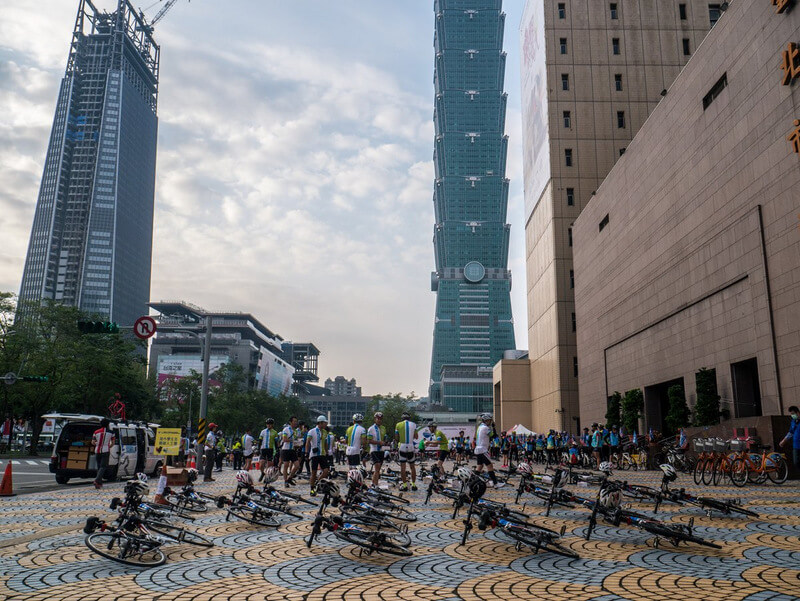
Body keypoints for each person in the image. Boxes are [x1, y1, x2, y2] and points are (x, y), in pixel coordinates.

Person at [473, 413, 504, 488]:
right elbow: (494, 436)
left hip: (478, 449)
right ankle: (495, 483)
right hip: (483, 450)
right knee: (490, 466)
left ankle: (472, 481)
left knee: (479, 467)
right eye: (490, 420)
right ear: (487, 420)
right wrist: (494, 427)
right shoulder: (485, 428)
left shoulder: (480, 427)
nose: (491, 422)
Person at [306, 416, 330, 495]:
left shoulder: (325, 432)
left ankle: (316, 483)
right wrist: (306, 453)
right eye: (324, 423)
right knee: (314, 472)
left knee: (326, 471)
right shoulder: (311, 431)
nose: (326, 424)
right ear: (320, 423)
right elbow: (308, 442)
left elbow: (325, 443)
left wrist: (327, 452)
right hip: (314, 454)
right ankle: (312, 489)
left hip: (322, 454)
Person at [394, 412, 418, 491]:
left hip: (402, 446)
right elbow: (416, 436)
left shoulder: (398, 425)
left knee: (403, 467)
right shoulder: (414, 424)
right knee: (412, 467)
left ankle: (404, 485)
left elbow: (396, 437)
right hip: (411, 446)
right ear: (409, 418)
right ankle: (414, 485)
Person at [367, 412, 388, 487]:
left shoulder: (383, 428)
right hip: (374, 450)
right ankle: (375, 484)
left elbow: (385, 438)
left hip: (381, 451)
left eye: (380, 419)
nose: (379, 420)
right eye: (378, 419)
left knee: (378, 470)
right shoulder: (371, 429)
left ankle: (373, 483)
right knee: (377, 467)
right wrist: (379, 442)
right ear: (375, 419)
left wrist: (385, 442)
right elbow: (369, 441)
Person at [92, 419, 115, 489]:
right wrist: (108, 446)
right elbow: (113, 443)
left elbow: (93, 442)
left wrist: (97, 444)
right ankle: (97, 480)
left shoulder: (96, 432)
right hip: (105, 450)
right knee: (103, 466)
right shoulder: (111, 432)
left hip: (97, 450)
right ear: (108, 424)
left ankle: (99, 483)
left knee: (99, 467)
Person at [779, 405, 800, 470]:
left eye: (793, 413)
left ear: (798, 413)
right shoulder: (793, 422)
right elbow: (790, 433)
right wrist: (784, 441)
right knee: (796, 462)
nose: (792, 415)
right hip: (796, 445)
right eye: (791, 414)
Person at [280, 416, 298, 486]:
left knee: (297, 465)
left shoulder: (295, 431)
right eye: (294, 421)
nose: (296, 423)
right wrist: (293, 440)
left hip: (292, 449)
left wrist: (298, 443)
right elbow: (284, 439)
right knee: (286, 465)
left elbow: (295, 440)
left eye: (296, 421)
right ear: (290, 422)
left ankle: (290, 478)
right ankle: (285, 481)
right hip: (285, 449)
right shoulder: (286, 429)